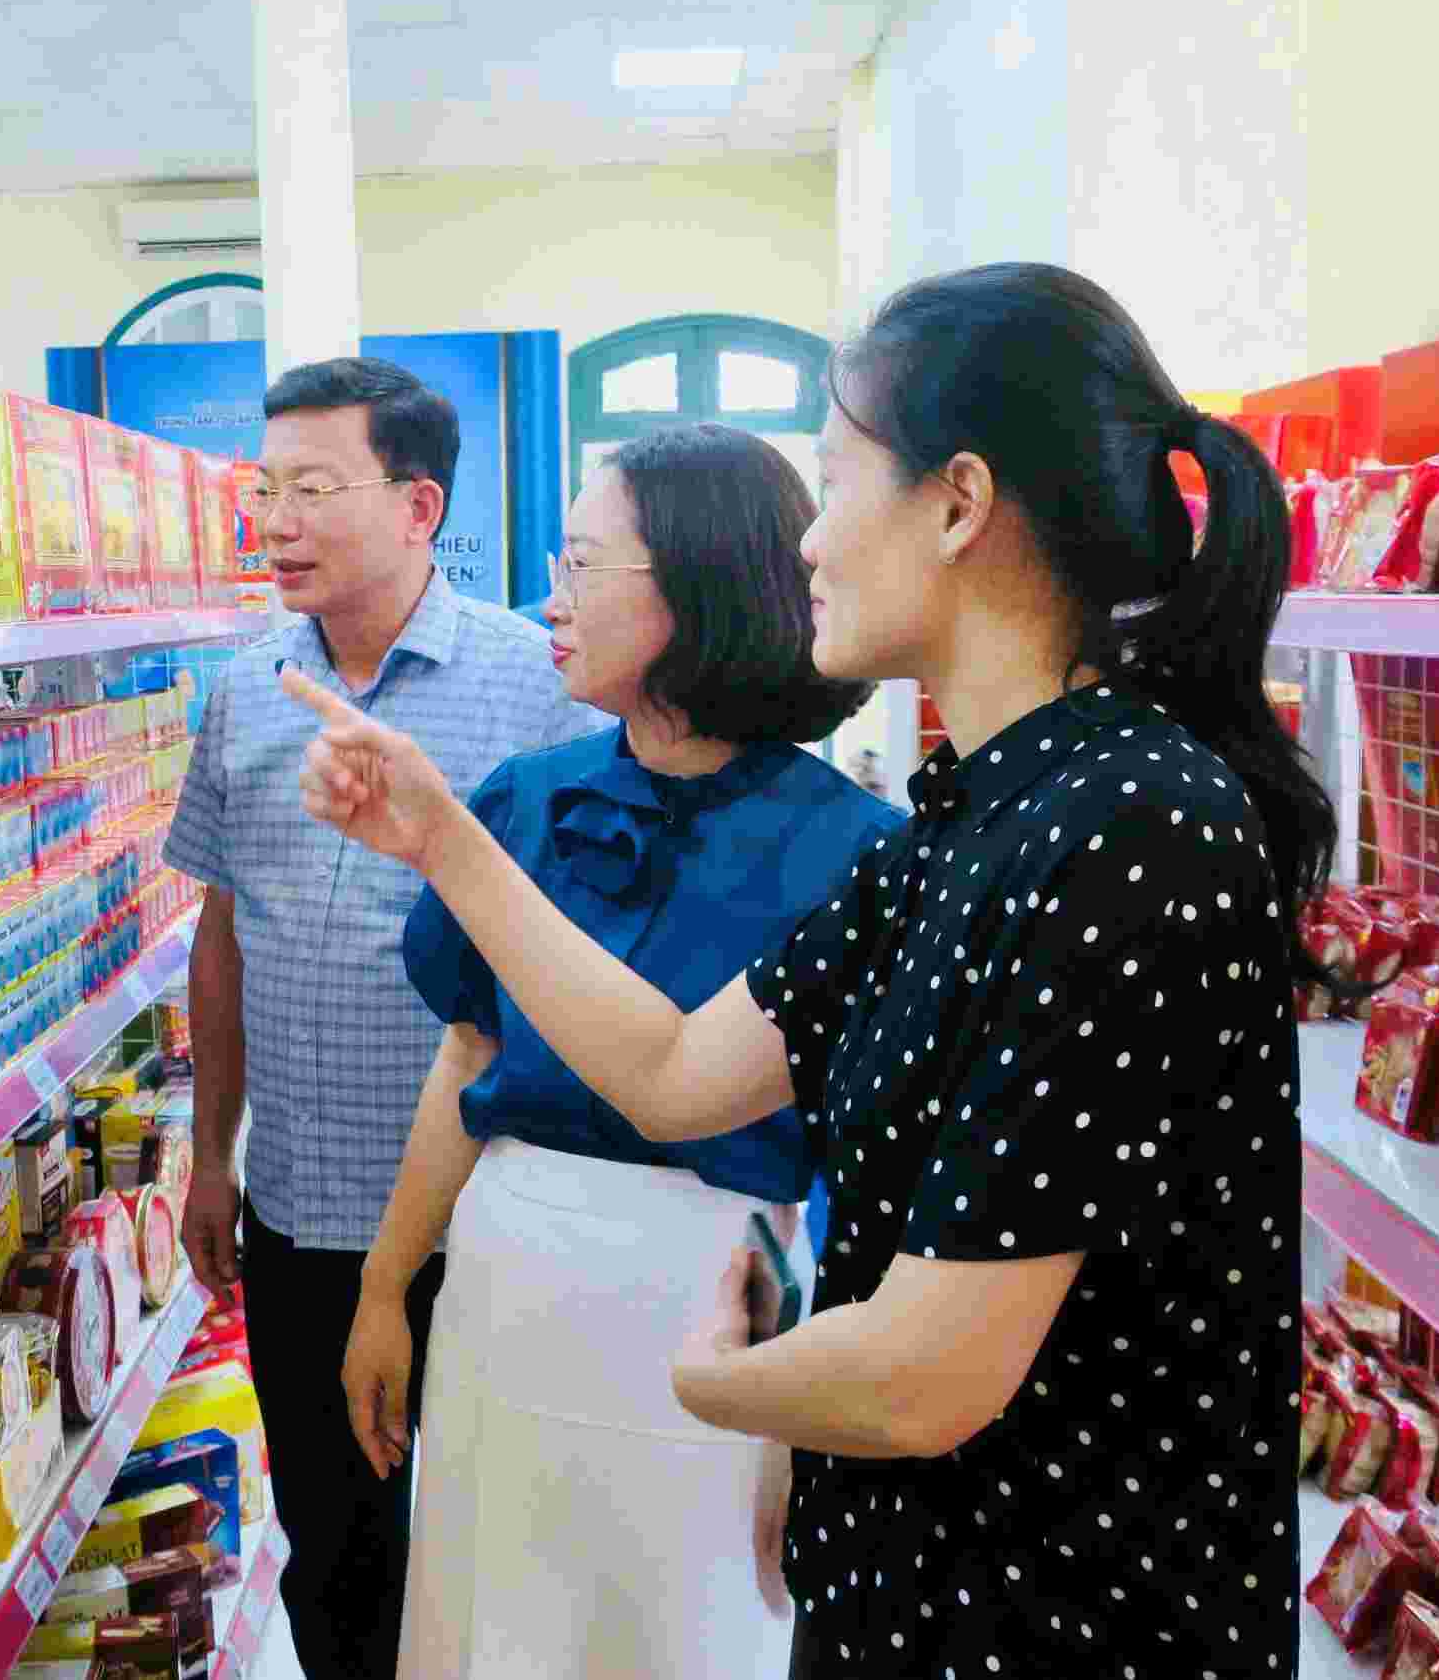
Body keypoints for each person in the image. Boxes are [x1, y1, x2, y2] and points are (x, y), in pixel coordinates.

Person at [281, 263, 1325, 1676]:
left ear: (959, 504)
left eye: (834, 480)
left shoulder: (1130, 825)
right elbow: (670, 1069)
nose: (809, 542)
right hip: (906, 1585)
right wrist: (445, 837)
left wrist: (711, 1380)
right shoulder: (969, 823)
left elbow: (927, 1370)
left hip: (1057, 1615)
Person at [347, 423, 895, 1680]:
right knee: (494, 1620)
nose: (552, 596)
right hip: (506, 1279)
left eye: (585, 564)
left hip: (720, 1299)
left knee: (689, 1625)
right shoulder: (521, 805)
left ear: (699, 588)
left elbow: (868, 1164)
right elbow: (465, 1059)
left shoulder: (857, 853)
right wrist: (387, 1290)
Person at [164, 355, 604, 1680]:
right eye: (266, 487)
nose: (277, 519)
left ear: (419, 507)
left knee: (486, 1551)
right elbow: (224, 929)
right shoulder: (244, 691)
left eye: (316, 487)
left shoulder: (538, 686)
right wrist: (210, 1151)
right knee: (335, 1548)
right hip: (298, 1213)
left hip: (488, 1211)